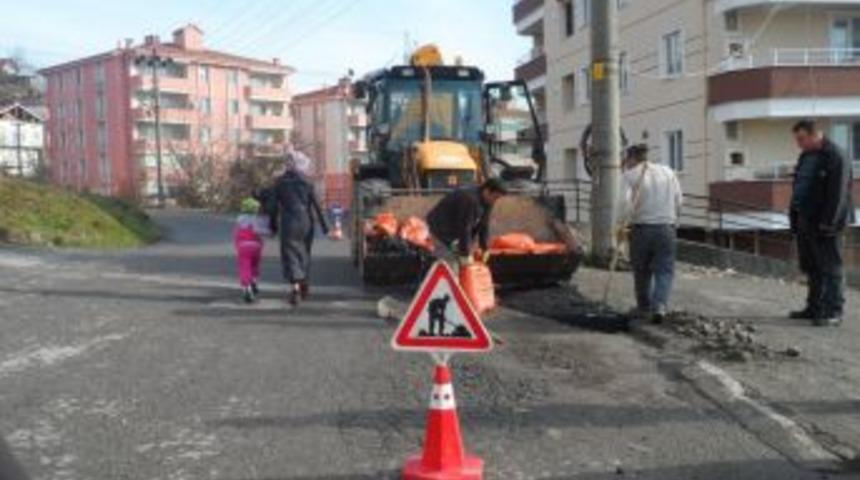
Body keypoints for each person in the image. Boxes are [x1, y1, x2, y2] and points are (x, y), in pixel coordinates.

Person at [789, 120, 855, 327]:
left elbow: (838, 194)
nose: (799, 144)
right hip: (805, 219)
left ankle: (834, 311)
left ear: (815, 134)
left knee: (831, 266)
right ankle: (814, 307)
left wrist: (829, 223)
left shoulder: (835, 155)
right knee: (811, 266)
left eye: (801, 139)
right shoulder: (806, 156)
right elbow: (800, 185)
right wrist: (794, 216)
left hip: (826, 223)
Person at [621, 144, 683, 323]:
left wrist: (620, 224)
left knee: (642, 270)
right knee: (664, 270)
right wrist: (674, 220)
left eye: (627, 160)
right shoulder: (668, 173)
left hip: (641, 229)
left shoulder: (630, 175)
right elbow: (679, 200)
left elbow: (624, 204)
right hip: (666, 228)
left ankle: (644, 307)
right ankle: (660, 306)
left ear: (632, 158)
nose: (626, 163)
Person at [266, 153, 330, 306]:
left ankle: (295, 288)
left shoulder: (280, 183)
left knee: (290, 254)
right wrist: (327, 228)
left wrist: (272, 226)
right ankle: (304, 282)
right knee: (304, 252)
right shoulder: (307, 183)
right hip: (307, 222)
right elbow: (318, 207)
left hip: (289, 222)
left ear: (288, 165)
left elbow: (272, 207)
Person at [426, 178, 508, 270]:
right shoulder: (470, 200)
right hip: (439, 229)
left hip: (454, 230)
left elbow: (484, 223)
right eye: (495, 197)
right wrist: (465, 254)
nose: (495, 200)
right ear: (487, 190)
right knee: (451, 266)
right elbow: (465, 227)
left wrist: (485, 248)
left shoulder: (488, 201)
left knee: (462, 262)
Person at [233, 197, 269, 304]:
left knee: (245, 268)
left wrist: (238, 246)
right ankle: (254, 282)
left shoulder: (239, 221)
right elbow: (264, 233)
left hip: (243, 247)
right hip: (256, 247)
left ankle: (247, 289)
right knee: (254, 266)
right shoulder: (259, 220)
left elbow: (236, 236)